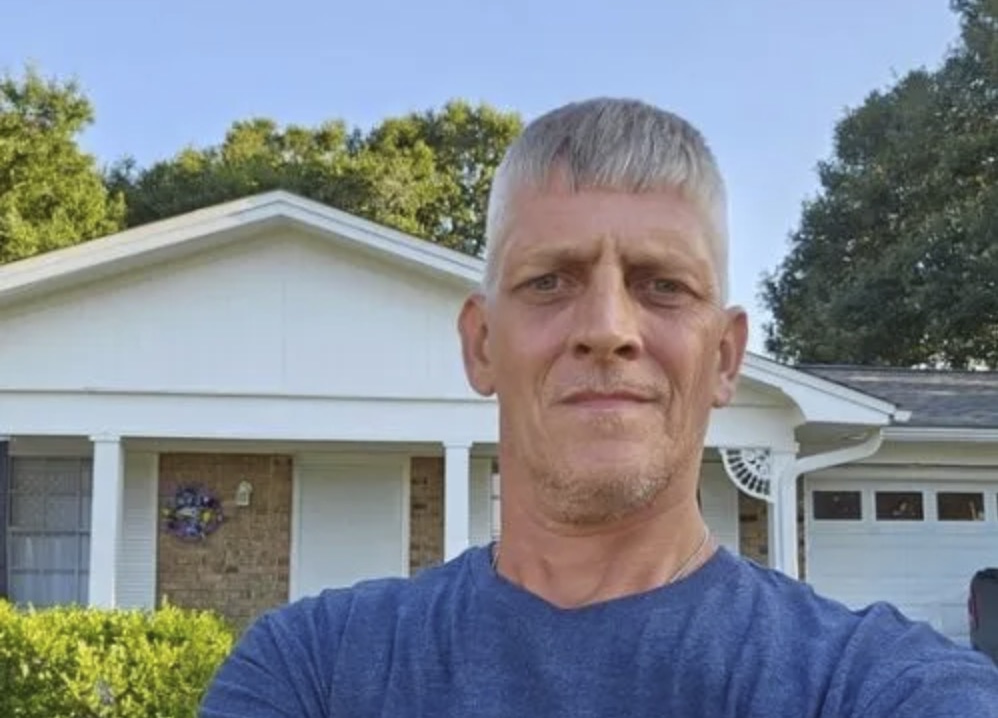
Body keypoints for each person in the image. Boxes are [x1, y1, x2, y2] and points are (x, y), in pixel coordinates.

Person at [200, 98, 998, 717]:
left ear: (723, 356)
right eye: (551, 281)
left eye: (663, 286)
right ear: (482, 344)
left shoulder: (869, 684)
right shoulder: (315, 673)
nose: (609, 329)